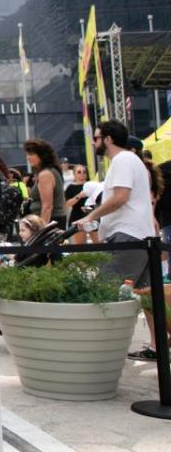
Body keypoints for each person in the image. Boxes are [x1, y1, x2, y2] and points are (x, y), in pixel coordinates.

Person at [75, 121, 162, 360]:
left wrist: (92, 216)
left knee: (104, 290)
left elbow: (121, 197)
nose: (94, 143)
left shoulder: (122, 161)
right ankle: (158, 346)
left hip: (127, 236)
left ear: (108, 139)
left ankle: (100, 352)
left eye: (96, 138)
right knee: (147, 296)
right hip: (138, 236)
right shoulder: (132, 162)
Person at [23, 138, 66, 227]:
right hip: (52, 220)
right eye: (27, 154)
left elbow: (47, 206)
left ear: (42, 155)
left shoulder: (45, 174)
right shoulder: (51, 171)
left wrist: (42, 230)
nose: (28, 158)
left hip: (50, 220)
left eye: (31, 154)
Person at [64, 164, 90, 244]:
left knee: (98, 244)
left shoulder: (91, 185)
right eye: (79, 172)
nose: (82, 173)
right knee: (80, 246)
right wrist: (79, 196)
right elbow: (67, 204)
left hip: (92, 215)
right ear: (74, 174)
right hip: (77, 216)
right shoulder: (71, 187)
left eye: (84, 172)